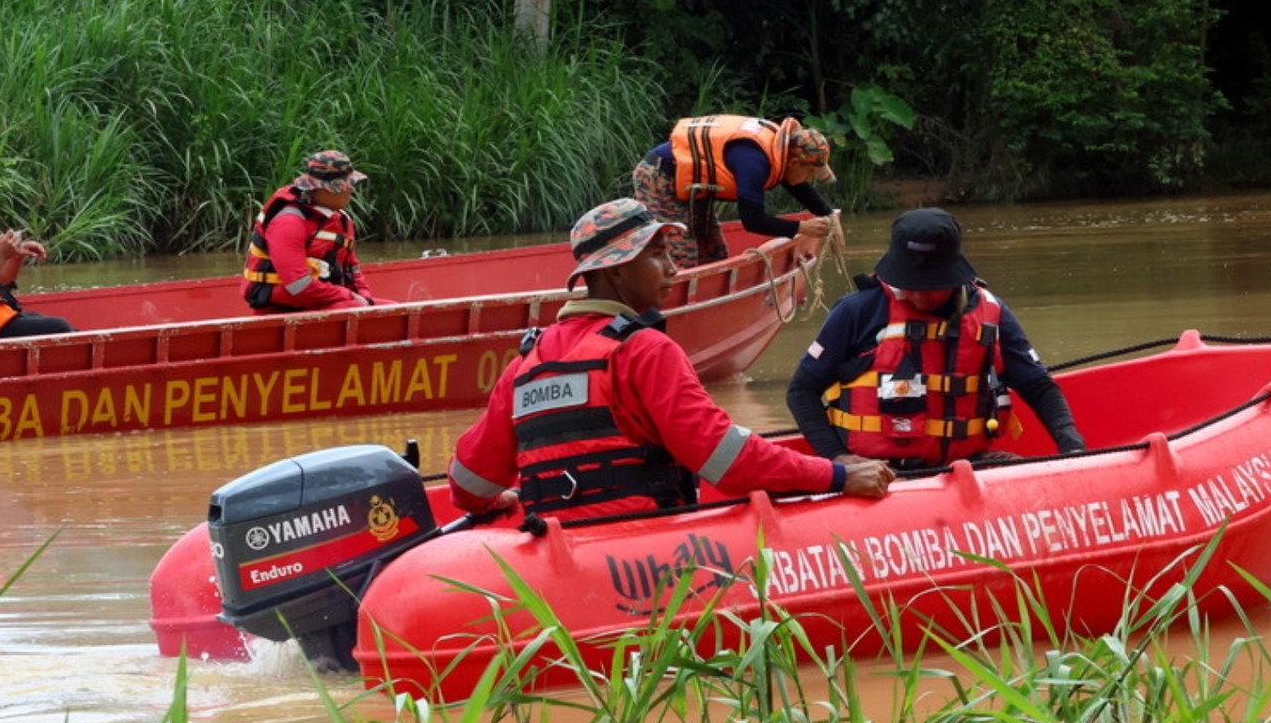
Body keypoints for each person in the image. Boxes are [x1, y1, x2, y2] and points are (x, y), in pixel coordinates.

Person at [449, 197, 893, 521]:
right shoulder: (644, 350)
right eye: (657, 255)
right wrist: (835, 475)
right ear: (616, 272)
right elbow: (728, 460)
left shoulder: (525, 364)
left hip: (556, 550)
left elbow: (468, 484)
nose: (673, 269)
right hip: (643, 551)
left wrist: (498, 502)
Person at [786, 208, 1085, 473]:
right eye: (909, 284)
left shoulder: (991, 312)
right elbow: (802, 391)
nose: (918, 294)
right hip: (882, 473)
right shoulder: (858, 310)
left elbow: (1039, 387)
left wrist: (1072, 449)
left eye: (930, 286)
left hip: (970, 464)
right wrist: (837, 457)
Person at [632, 114, 839, 269]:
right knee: (681, 255)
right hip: (658, 177)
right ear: (794, 162)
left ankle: (709, 307)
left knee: (715, 252)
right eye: (810, 173)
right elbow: (753, 221)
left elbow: (796, 182)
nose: (809, 180)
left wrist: (827, 213)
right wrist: (802, 227)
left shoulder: (781, 152)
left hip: (692, 186)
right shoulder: (754, 163)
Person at [242, 150, 377, 313]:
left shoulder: (339, 218)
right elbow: (298, 286)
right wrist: (348, 296)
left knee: (388, 308)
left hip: (322, 299)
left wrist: (365, 297)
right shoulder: (288, 223)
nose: (351, 191)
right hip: (281, 306)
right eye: (348, 186)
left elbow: (352, 269)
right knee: (358, 308)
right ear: (328, 189)